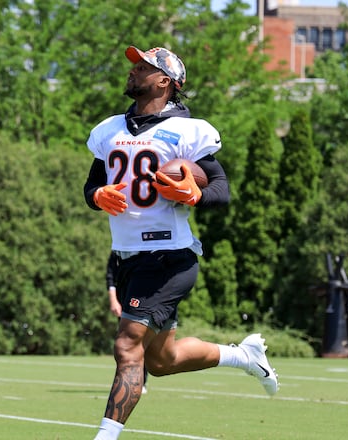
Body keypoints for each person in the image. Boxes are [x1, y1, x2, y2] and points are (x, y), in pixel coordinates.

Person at [83, 45, 278, 440]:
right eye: (134, 66)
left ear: (165, 82)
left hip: (169, 256)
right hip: (128, 257)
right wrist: (96, 197)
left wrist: (194, 195)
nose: (133, 72)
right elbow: (91, 184)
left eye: (143, 68)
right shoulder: (108, 129)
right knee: (162, 359)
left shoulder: (188, 131)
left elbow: (220, 190)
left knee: (127, 345)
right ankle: (242, 356)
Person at [106, 251, 148, 394]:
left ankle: (142, 381)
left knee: (144, 341)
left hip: (144, 297)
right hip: (124, 298)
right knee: (126, 343)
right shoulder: (118, 249)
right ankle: (127, 380)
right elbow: (110, 276)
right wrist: (113, 300)